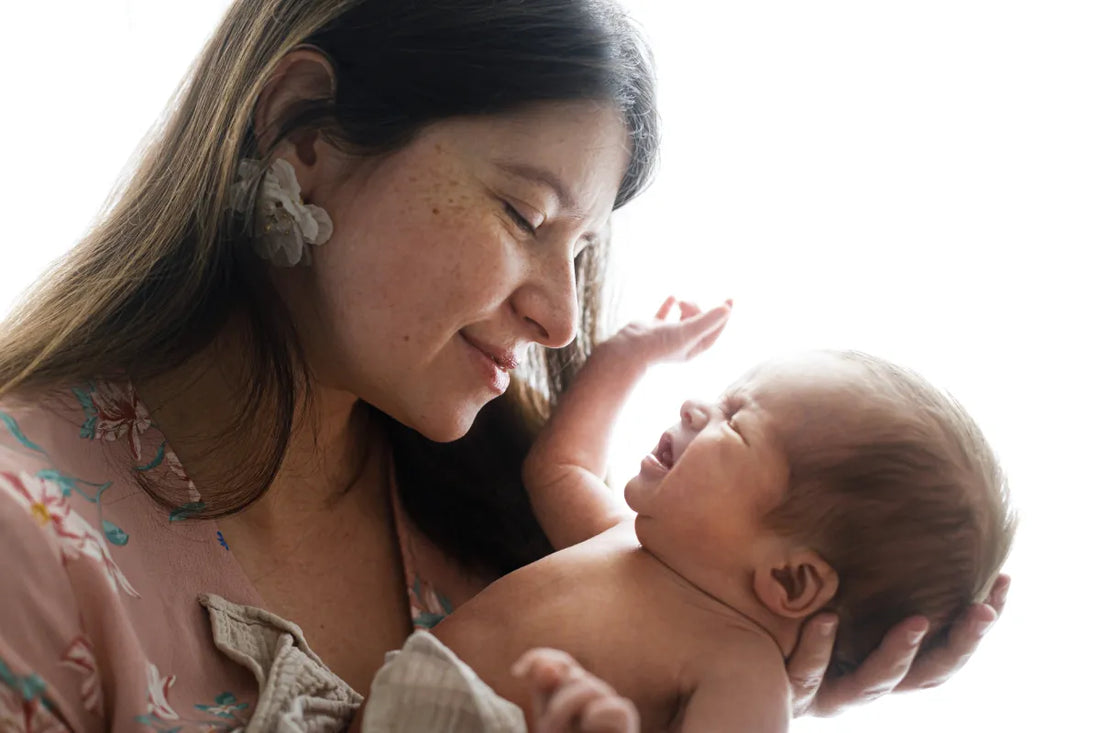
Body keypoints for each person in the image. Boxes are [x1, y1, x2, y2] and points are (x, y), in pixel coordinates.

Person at [0, 1, 1007, 730]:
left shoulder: (507, 524)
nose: (562, 318)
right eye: (526, 216)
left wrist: (774, 678)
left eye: (582, 251)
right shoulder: (30, 545)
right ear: (304, 134)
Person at [356, 297, 1012, 732]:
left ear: (791, 579)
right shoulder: (626, 541)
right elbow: (560, 469)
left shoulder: (743, 675)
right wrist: (624, 357)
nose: (697, 407)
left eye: (736, 421)